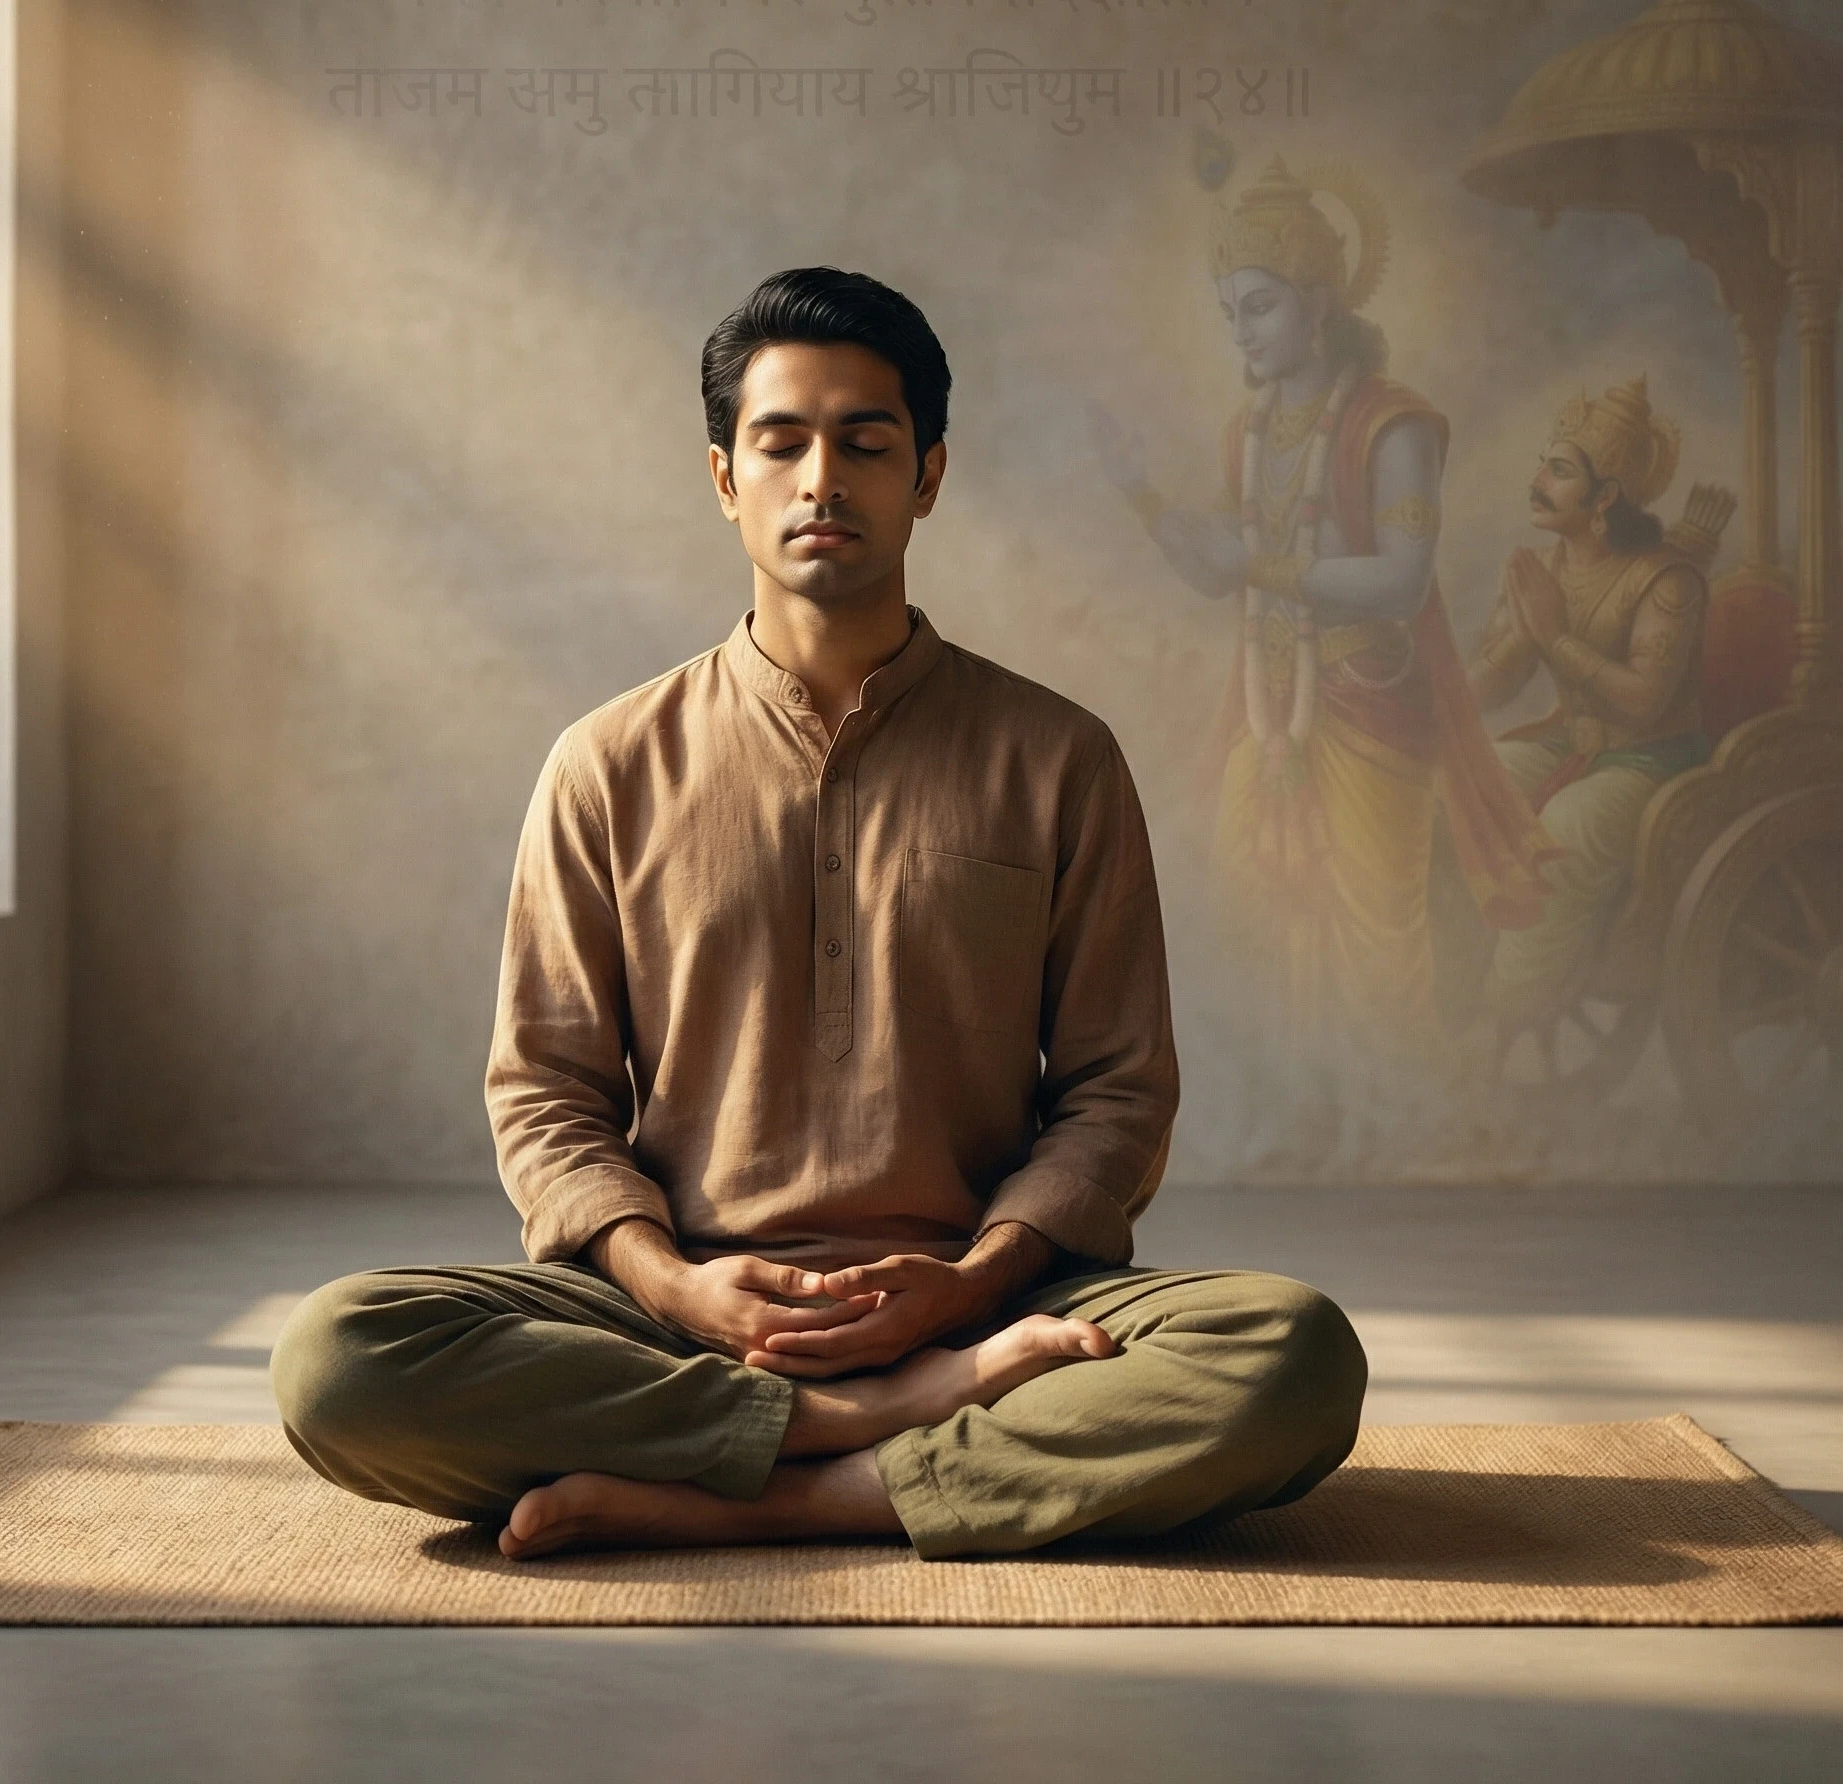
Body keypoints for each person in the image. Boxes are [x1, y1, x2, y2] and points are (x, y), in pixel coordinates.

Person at [271, 267, 1367, 1562]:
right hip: (675, 1313)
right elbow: (546, 1093)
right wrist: (675, 1283)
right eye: (780, 441)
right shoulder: (607, 762)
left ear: (930, 473)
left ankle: (779, 1484)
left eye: (866, 441)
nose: (821, 479)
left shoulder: (1055, 755)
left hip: (991, 1304)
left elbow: (1116, 1094)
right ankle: (872, 1435)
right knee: (340, 1359)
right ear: (724, 477)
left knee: (1289, 1353)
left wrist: (964, 1291)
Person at [1102, 157, 1550, 1050]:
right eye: (1230, 313)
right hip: (1268, 723)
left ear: (1319, 303)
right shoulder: (1250, 432)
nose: (1242, 332)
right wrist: (1144, 502)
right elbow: (1224, 573)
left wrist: (1260, 565)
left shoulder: (1394, 424)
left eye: (1259, 306)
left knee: (1378, 953)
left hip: (1373, 715)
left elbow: (1403, 580)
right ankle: (1286, 1112)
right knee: (1245, 919)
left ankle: (1385, 1120)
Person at [1467, 378, 1712, 1030]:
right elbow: (1492, 684)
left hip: (1652, 763)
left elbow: (1643, 701)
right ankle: (1453, 979)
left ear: (1605, 497)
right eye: (1543, 462)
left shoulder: (1669, 578)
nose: (1539, 479)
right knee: (1463, 786)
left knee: (1566, 830)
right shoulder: (1549, 567)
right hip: (1571, 744)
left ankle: (1503, 1015)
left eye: (1560, 469)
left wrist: (1553, 635)